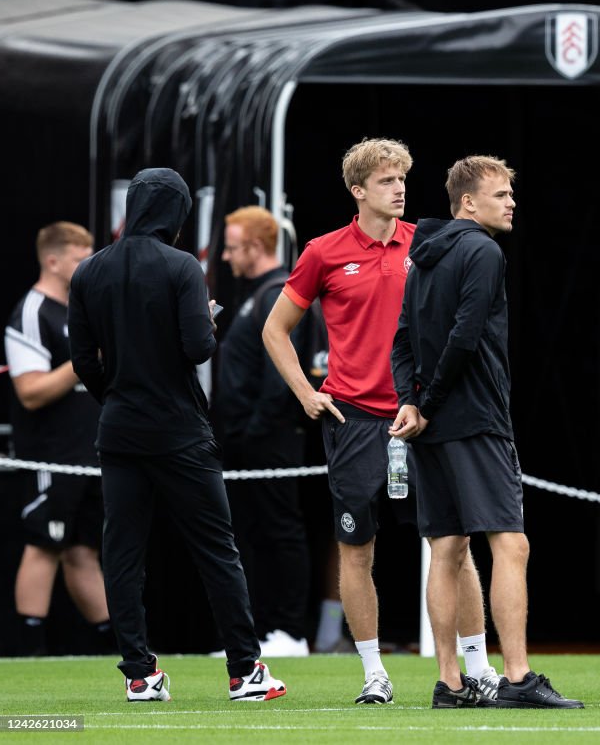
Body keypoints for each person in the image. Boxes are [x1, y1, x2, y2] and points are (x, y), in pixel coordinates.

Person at [263, 138, 496, 705]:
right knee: (356, 548)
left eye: (403, 180)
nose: (399, 189)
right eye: (388, 181)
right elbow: (275, 330)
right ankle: (373, 674)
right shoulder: (322, 251)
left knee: (456, 543)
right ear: (359, 190)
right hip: (355, 416)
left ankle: (478, 667)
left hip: (427, 416)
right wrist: (305, 393)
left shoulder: (431, 243)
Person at [67, 167, 285, 703]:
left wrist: (116, 395)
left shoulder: (88, 271)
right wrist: (205, 321)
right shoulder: (182, 265)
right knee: (216, 551)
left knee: (122, 555)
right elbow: (197, 348)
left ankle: (139, 675)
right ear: (177, 214)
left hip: (118, 430)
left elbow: (81, 362)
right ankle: (245, 671)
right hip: (181, 430)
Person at [389, 154, 583, 710]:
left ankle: (450, 685)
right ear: (468, 203)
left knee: (446, 549)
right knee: (511, 544)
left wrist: (413, 401)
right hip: (474, 418)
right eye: (501, 194)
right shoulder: (482, 249)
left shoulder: (420, 256)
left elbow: (402, 340)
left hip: (429, 421)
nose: (512, 202)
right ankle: (518, 678)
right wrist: (428, 401)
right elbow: (466, 334)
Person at [3, 221, 112, 656]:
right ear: (53, 260)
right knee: (44, 544)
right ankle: (27, 652)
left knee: (83, 550)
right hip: (50, 455)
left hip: (90, 452)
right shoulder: (32, 311)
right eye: (78, 258)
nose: (86, 266)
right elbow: (30, 392)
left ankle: (117, 651)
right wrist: (88, 358)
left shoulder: (78, 310)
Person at [214, 205, 310, 657]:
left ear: (254, 247)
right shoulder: (254, 295)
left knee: (279, 531)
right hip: (243, 442)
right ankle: (262, 631)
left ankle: (289, 631)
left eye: (232, 248)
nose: (227, 258)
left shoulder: (279, 293)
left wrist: (251, 430)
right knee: (250, 535)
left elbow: (280, 379)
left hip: (269, 440)